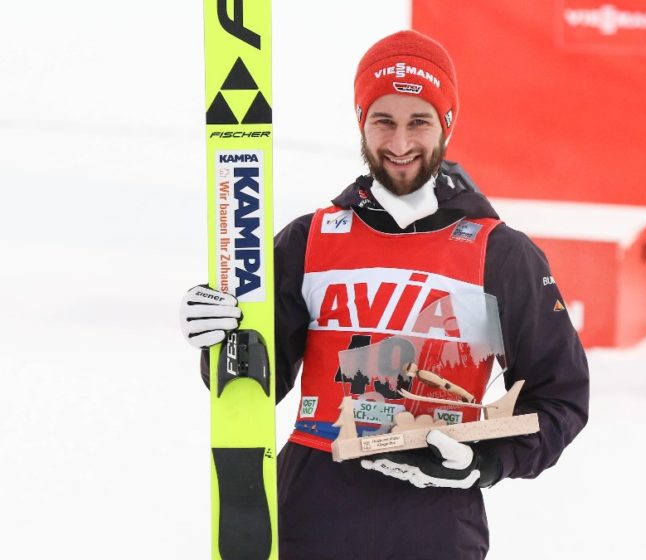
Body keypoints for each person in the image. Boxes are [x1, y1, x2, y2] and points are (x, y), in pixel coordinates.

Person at [180, 30, 589, 559]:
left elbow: (560, 399)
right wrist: (222, 341)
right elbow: (256, 382)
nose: (400, 143)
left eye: (418, 121)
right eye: (383, 121)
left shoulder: (499, 254)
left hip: (434, 526)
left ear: (447, 123)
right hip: (310, 516)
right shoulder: (310, 240)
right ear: (361, 123)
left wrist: (486, 462)